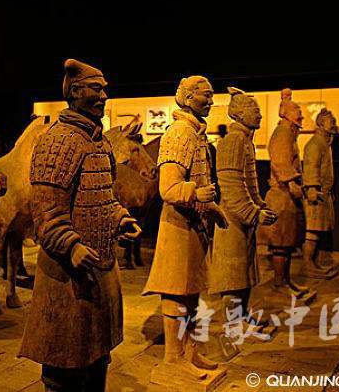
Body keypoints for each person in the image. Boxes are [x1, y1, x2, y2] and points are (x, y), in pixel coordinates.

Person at [19, 59, 141, 391]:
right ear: (75, 91)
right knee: (63, 369)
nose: (104, 95)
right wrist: (71, 245)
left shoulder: (97, 141)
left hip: (98, 270)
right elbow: (46, 213)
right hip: (66, 276)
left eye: (104, 89)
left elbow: (102, 196)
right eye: (96, 89)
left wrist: (120, 218)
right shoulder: (57, 141)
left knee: (96, 359)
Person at [143, 75, 229, 383]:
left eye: (212, 95)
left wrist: (212, 207)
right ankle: (172, 358)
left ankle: (189, 351)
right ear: (189, 98)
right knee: (176, 292)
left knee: (191, 293)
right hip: (178, 226)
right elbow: (168, 188)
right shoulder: (179, 133)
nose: (211, 101)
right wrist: (197, 193)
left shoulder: (195, 132)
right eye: (206, 95)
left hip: (194, 225)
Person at [208, 87, 277, 338]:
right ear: (238, 114)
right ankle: (232, 326)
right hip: (232, 220)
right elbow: (232, 188)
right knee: (233, 276)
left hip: (242, 220)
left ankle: (241, 316)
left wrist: (260, 205)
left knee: (245, 273)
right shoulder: (233, 141)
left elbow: (249, 183)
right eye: (254, 109)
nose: (259, 114)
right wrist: (254, 213)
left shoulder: (245, 141)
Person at [257, 89, 314, 303]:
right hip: (281, 195)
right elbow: (280, 161)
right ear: (287, 114)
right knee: (281, 243)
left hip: (287, 195)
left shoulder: (289, 133)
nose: (301, 115)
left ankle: (286, 281)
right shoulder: (283, 133)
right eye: (297, 110)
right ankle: (279, 284)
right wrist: (291, 183)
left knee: (288, 243)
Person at [301, 108, 339, 279]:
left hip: (323, 193)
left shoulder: (324, 142)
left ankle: (313, 263)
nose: (334, 123)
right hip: (315, 193)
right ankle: (308, 265)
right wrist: (311, 188)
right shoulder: (315, 144)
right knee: (313, 229)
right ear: (321, 123)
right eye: (331, 121)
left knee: (319, 229)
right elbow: (311, 166)